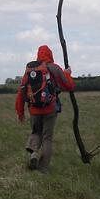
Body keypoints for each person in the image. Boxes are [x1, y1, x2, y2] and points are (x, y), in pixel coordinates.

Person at [15, 44, 75, 173]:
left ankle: (33, 155)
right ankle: (42, 169)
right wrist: (68, 74)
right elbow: (69, 86)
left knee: (36, 132)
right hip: (49, 109)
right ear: (50, 54)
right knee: (47, 137)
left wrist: (20, 112)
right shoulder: (54, 68)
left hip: (34, 110)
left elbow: (21, 93)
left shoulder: (30, 71)